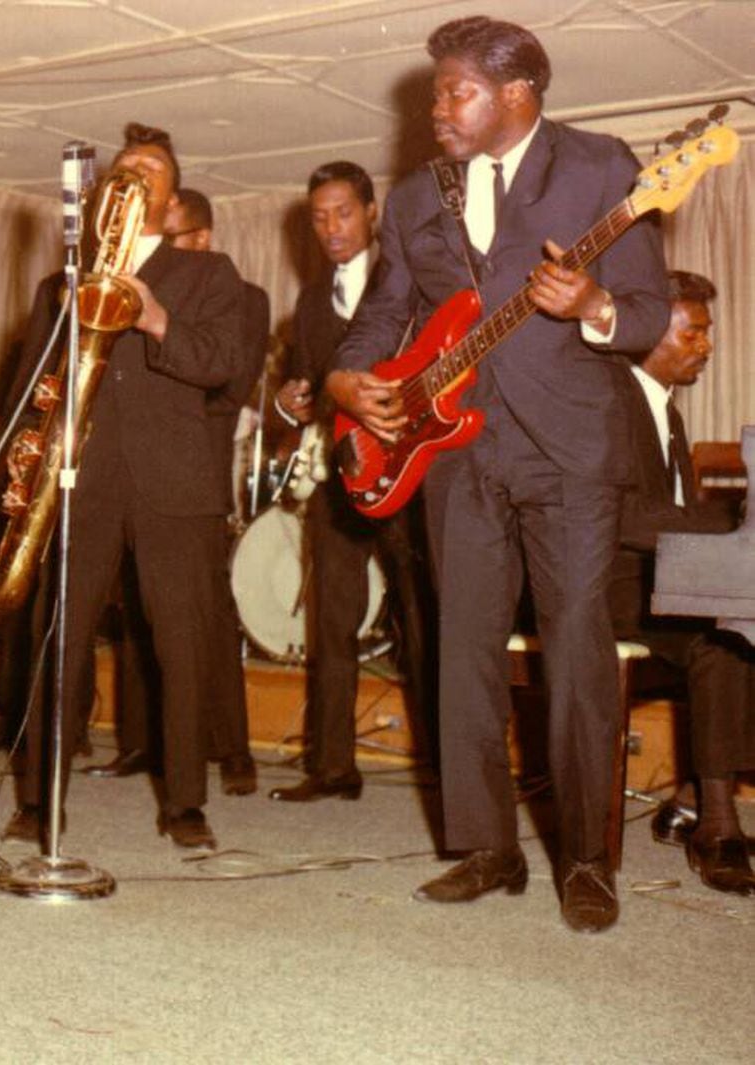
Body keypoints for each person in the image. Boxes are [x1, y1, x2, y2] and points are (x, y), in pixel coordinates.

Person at [327, 16, 669, 931]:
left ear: (517, 95)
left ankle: (587, 858)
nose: (435, 107)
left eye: (455, 91)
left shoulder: (601, 168)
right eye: (437, 91)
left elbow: (648, 312)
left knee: (575, 651)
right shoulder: (410, 198)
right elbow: (381, 318)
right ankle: (488, 847)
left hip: (569, 452)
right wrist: (345, 378)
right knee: (463, 648)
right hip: (458, 454)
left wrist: (595, 302)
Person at [5, 124, 254, 852]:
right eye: (129, 165)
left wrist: (154, 315)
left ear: (172, 203)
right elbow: (30, 384)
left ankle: (184, 803)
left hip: (174, 482)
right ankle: (38, 798)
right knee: (62, 635)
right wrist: (26, 470)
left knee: (180, 644)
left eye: (155, 169)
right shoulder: (62, 281)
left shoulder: (211, 274)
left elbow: (222, 365)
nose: (138, 173)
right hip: (80, 476)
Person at [82, 187, 267, 796]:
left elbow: (227, 383)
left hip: (194, 464)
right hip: (118, 467)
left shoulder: (236, 290)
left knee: (200, 620)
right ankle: (141, 742)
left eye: (180, 237)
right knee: (134, 620)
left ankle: (231, 751)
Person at [267, 162, 435, 803]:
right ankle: (333, 765)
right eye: (318, 217)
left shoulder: (412, 283)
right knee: (329, 625)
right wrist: (289, 401)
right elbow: (303, 389)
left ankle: (444, 771)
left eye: (342, 212)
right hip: (340, 481)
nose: (331, 227)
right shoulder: (311, 301)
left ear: (371, 213)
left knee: (421, 621)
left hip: (407, 471)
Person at [609, 270, 754, 895]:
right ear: (646, 334)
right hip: (608, 590)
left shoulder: (664, 409)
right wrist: (736, 516)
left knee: (747, 627)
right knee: (721, 643)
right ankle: (717, 828)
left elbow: (675, 519)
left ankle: (693, 796)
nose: (705, 346)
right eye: (692, 332)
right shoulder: (608, 403)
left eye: (706, 333)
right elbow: (625, 517)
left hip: (659, 583)